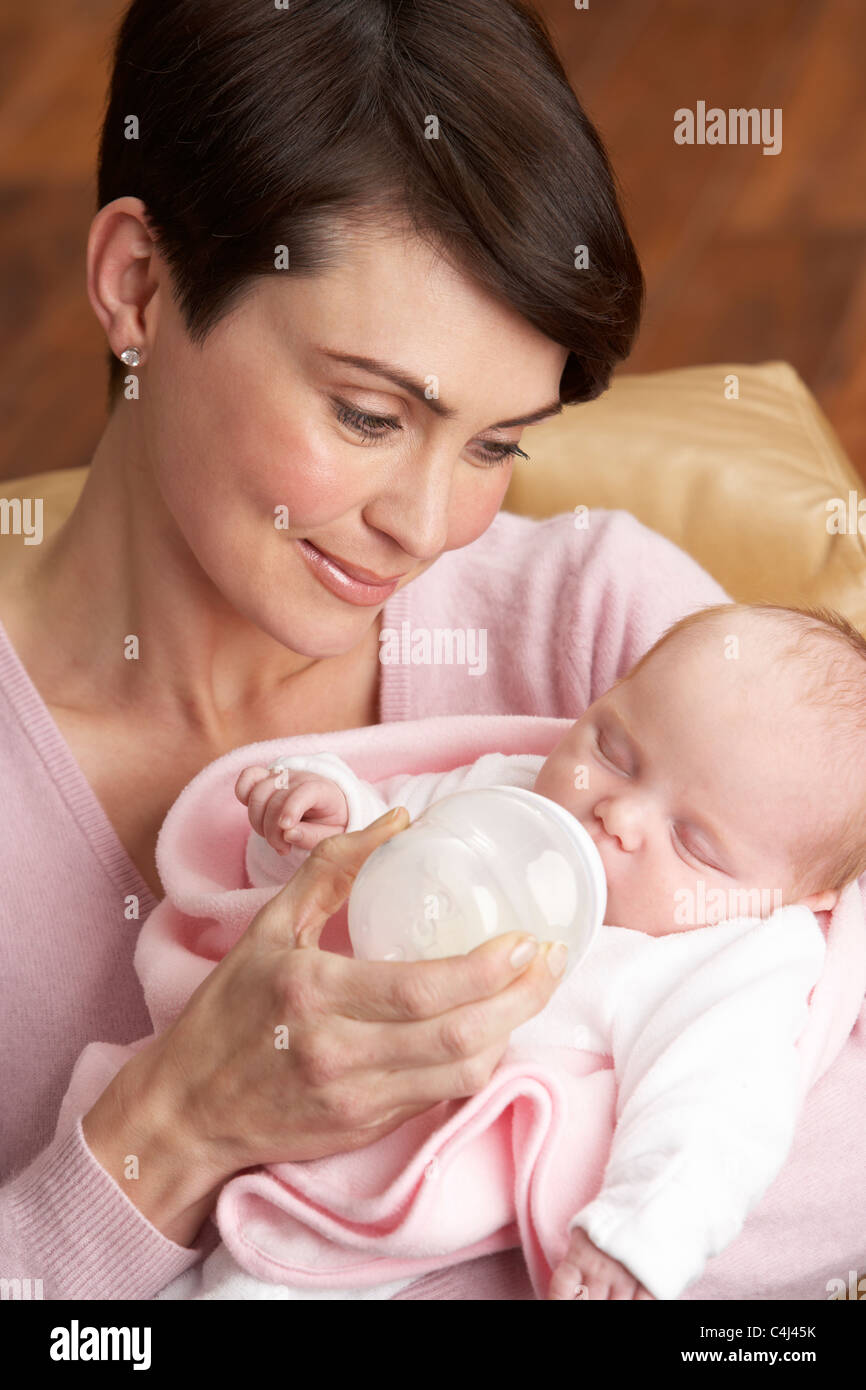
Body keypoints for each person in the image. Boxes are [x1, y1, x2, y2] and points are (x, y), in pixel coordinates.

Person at [0, 0, 856, 1303]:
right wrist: (167, 1134)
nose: (425, 524)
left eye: (497, 444)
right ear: (138, 285)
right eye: (367, 412)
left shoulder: (613, 642)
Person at [122, 601, 859, 1299]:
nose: (618, 814)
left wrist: (637, 1237)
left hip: (402, 1209)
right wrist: (329, 815)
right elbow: (394, 830)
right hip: (262, 1104)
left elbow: (719, 1110)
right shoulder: (511, 794)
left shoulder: (734, 957)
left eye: (695, 844)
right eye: (612, 748)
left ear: (805, 894)